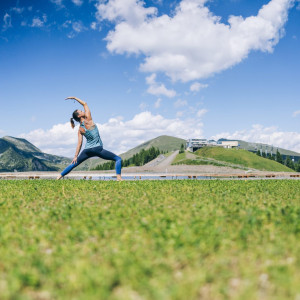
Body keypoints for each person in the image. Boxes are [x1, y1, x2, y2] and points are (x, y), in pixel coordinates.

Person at [56, 96, 122, 181]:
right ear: (79, 115)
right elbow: (85, 103)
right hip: (97, 148)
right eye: (81, 111)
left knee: (74, 163)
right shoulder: (88, 119)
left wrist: (75, 156)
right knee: (118, 159)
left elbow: (79, 144)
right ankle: (119, 178)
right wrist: (75, 98)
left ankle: (59, 177)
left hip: (87, 150)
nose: (83, 111)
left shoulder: (80, 129)